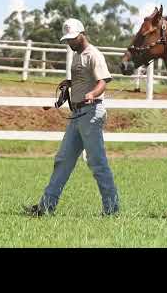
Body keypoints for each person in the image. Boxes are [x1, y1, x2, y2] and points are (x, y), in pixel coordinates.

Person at [24, 18, 119, 216]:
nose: (69, 43)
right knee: (63, 160)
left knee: (97, 162)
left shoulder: (93, 54)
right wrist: (63, 94)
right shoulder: (77, 55)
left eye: (72, 39)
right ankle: (45, 208)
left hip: (91, 114)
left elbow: (103, 81)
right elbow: (81, 79)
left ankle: (112, 210)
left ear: (81, 34)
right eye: (67, 40)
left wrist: (93, 94)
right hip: (77, 114)